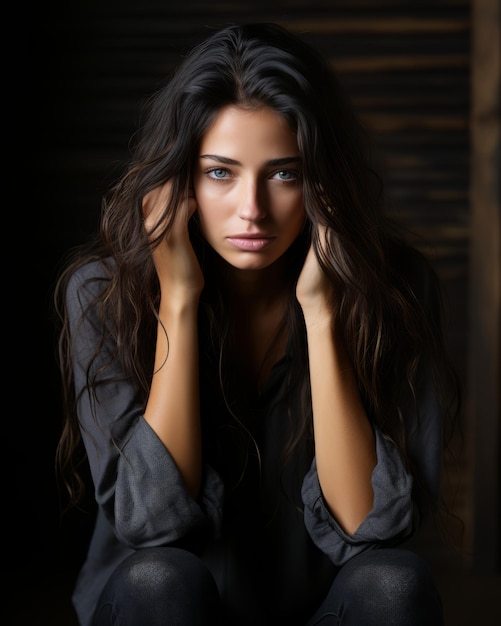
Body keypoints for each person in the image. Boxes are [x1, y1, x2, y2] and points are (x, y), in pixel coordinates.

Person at [54, 22, 459, 626]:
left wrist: (322, 313)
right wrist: (179, 301)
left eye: (284, 173)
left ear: (322, 182)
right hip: (170, 609)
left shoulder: (396, 289)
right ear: (179, 180)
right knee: (159, 578)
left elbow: (370, 527)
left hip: (325, 611)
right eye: (220, 172)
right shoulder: (103, 294)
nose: (252, 210)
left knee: (394, 585)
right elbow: (152, 524)